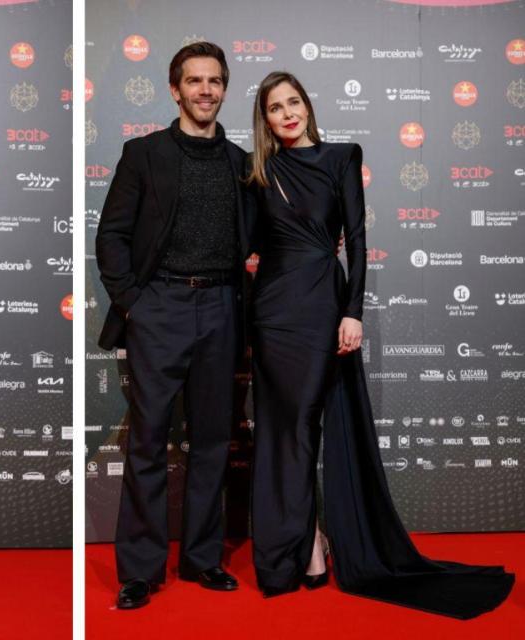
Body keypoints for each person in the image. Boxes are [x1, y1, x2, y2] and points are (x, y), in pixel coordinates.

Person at [247, 70, 514, 618]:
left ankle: (307, 548)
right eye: (275, 108)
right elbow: (250, 242)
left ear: (307, 105)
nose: (287, 114)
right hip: (272, 310)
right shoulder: (259, 172)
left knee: (303, 425)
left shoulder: (342, 157)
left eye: (293, 102)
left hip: (323, 303)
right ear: (266, 120)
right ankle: (303, 546)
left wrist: (352, 312)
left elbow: (359, 240)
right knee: (279, 429)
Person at [96, 42, 255, 610]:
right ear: (175, 89)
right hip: (159, 306)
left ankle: (203, 558)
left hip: (220, 310)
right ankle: (140, 569)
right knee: (147, 442)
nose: (205, 90)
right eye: (194, 81)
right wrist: (137, 305)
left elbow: (263, 241)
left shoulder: (242, 164)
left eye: (214, 81)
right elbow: (111, 236)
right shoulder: (144, 154)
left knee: (214, 441)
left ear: (224, 89)